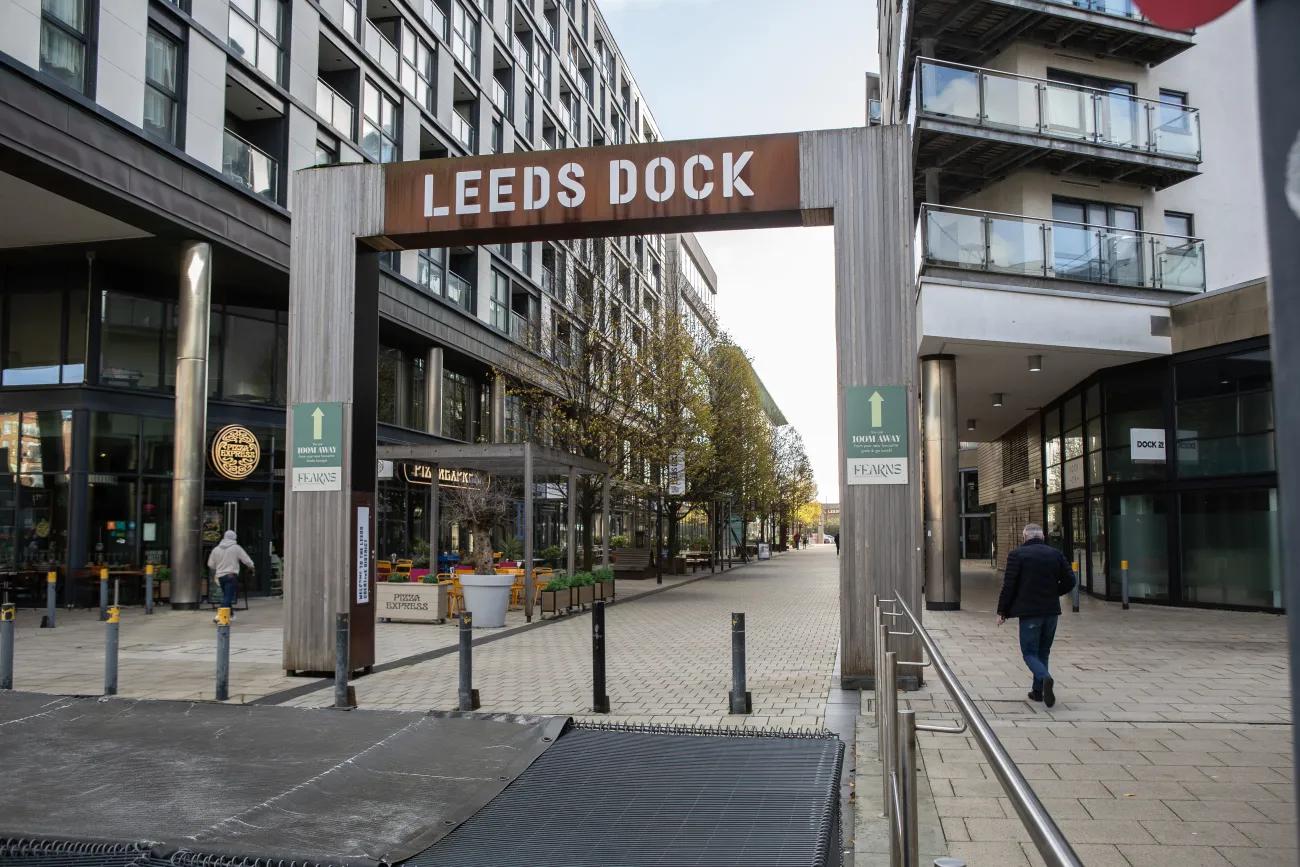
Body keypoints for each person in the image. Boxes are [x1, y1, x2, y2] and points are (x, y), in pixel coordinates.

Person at [997, 523, 1075, 707]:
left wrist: (1002, 611)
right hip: (1051, 612)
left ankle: (1044, 677)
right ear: (1043, 537)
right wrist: (1055, 593)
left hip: (1029, 613)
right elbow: (1071, 580)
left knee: (1029, 652)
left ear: (1024, 537)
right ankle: (1038, 692)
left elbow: (1009, 585)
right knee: (1043, 651)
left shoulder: (1017, 555)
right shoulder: (1055, 554)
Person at [207, 530, 254, 622]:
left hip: (220, 577)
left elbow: (210, 564)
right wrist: (252, 566)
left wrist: (219, 567)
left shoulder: (216, 549)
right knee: (228, 597)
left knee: (226, 595)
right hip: (231, 576)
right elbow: (246, 559)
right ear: (234, 537)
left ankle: (231, 614)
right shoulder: (236, 548)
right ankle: (219, 616)